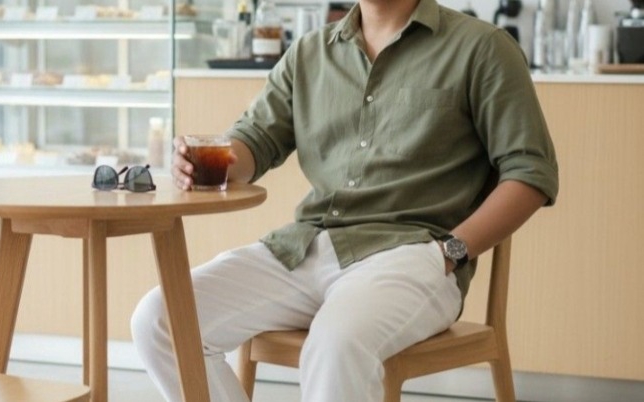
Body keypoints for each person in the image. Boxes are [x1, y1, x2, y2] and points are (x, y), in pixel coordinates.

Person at [131, 0, 559, 401]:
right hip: (305, 248)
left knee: (336, 343)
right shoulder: (309, 53)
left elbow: (530, 174)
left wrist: (450, 253)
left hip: (411, 257)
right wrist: (209, 161)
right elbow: (255, 141)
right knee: (160, 319)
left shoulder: (482, 48)